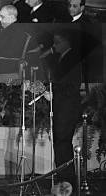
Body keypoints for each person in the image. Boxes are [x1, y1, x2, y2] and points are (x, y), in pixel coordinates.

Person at [41, 30, 83, 186]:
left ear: (66, 42)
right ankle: (64, 179)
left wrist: (54, 96)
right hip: (62, 106)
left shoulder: (72, 59)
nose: (54, 46)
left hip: (67, 108)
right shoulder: (63, 59)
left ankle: (66, 181)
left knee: (62, 143)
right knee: (60, 143)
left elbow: (71, 87)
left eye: (57, 42)